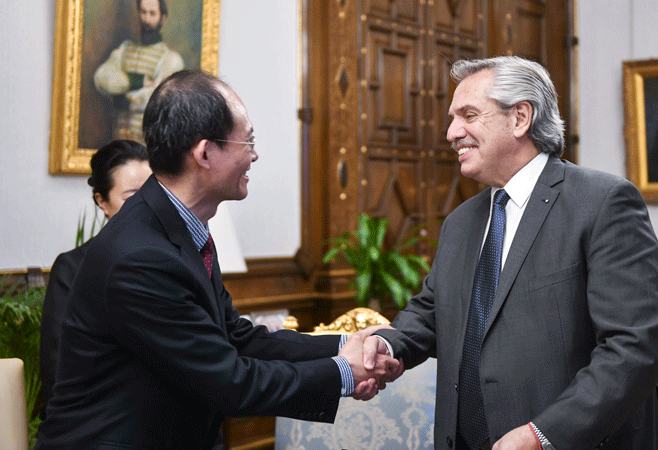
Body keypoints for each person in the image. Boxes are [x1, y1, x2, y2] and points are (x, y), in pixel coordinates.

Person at [35, 70, 401, 449]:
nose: (254, 154)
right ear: (205, 153)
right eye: (248, 141)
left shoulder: (176, 227)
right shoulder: (141, 255)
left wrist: (344, 343)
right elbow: (229, 383)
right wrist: (344, 372)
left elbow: (235, 337)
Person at [364, 56, 658, 450]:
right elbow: (432, 311)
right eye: (453, 119)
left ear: (520, 118)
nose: (452, 132)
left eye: (468, 115)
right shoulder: (460, 222)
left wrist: (544, 435)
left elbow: (635, 347)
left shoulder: (602, 203)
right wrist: (389, 344)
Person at [39, 140, 151, 420]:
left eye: (154, 193)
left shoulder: (177, 258)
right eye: (132, 196)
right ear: (102, 202)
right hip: (102, 423)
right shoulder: (72, 269)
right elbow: (58, 369)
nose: (148, 205)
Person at [94, 0, 184, 143]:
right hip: (118, 141)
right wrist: (137, 80)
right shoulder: (125, 49)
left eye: (152, 13)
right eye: (143, 12)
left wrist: (124, 100)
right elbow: (101, 79)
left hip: (148, 144)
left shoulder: (171, 59)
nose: (146, 19)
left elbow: (157, 98)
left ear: (162, 18)